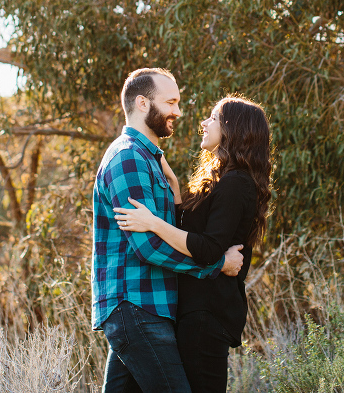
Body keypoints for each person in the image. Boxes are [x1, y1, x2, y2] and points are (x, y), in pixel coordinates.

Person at [92, 68, 245, 393]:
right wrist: (217, 265)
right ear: (143, 103)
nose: (178, 111)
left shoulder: (150, 160)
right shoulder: (128, 158)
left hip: (150, 305)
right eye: (171, 102)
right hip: (136, 305)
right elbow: (147, 246)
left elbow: (171, 229)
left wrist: (175, 188)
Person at [115, 95, 272, 393]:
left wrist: (152, 223)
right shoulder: (221, 180)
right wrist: (174, 186)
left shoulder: (237, 182)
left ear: (233, 128)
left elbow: (207, 248)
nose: (204, 123)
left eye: (213, 118)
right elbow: (191, 230)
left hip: (207, 314)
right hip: (194, 311)